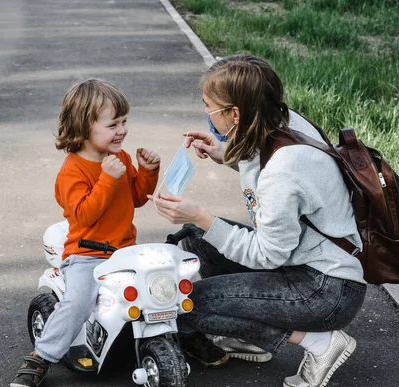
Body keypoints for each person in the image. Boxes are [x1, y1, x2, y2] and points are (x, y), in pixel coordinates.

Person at [149, 57, 367, 387]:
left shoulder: (283, 171)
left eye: (209, 107)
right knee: (195, 239)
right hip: (307, 259)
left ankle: (321, 343)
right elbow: (271, 176)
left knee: (189, 304)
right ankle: (248, 333)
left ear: (234, 113)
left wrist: (203, 216)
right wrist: (226, 154)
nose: (206, 114)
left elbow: (268, 256)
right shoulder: (280, 122)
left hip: (326, 289)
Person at [10, 79, 160, 387]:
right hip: (88, 254)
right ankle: (41, 355)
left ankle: (183, 336)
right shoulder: (73, 170)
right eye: (112, 124)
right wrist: (106, 179)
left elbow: (136, 198)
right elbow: (83, 215)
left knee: (162, 285)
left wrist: (147, 171)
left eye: (124, 121)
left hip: (125, 251)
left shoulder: (121, 158)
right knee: (78, 301)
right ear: (83, 128)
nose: (122, 130)